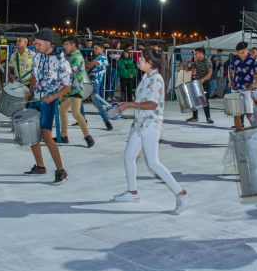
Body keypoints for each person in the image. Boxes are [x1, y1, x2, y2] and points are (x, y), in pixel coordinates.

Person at [113, 47, 191, 214]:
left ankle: (181, 194)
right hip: (140, 124)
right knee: (128, 156)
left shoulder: (156, 79)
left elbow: (152, 104)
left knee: (153, 163)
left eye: (141, 58)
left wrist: (128, 104)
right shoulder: (146, 77)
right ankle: (132, 192)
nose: (138, 60)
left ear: (149, 63)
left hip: (151, 125)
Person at [23, 28, 71, 185]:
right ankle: (40, 166)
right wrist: (29, 92)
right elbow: (34, 76)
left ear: (48, 43)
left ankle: (61, 171)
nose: (35, 47)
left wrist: (53, 97)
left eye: (38, 44)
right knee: (31, 132)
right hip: (35, 99)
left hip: (49, 101)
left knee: (45, 134)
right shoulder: (37, 56)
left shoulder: (61, 62)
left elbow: (67, 86)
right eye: (35, 44)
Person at [59, 36, 95, 147]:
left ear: (73, 45)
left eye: (66, 44)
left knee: (76, 113)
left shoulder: (77, 57)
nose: (64, 47)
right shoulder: (70, 55)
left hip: (75, 89)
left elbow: (70, 73)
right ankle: (64, 136)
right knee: (62, 111)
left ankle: (88, 137)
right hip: (69, 89)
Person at [229, 41, 257, 129]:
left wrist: (255, 83)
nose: (241, 55)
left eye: (243, 52)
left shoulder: (253, 61)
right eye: (239, 53)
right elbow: (231, 70)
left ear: (247, 50)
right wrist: (231, 81)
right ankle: (238, 132)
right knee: (236, 113)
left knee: (249, 113)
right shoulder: (235, 59)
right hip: (236, 88)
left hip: (247, 89)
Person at [85, 44, 114, 130]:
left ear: (102, 49)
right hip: (90, 81)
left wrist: (83, 63)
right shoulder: (96, 58)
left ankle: (106, 120)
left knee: (96, 101)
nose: (95, 50)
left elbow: (93, 63)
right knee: (82, 98)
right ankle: (82, 119)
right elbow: (89, 67)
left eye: (97, 49)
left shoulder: (103, 57)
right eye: (94, 49)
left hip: (95, 82)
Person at [184, 47, 214, 124]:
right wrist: (189, 62)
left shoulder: (208, 62)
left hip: (205, 83)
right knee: (194, 99)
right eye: (195, 53)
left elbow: (210, 73)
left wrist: (203, 79)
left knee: (205, 100)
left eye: (196, 53)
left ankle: (208, 117)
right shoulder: (196, 62)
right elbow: (187, 69)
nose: (195, 55)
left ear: (201, 53)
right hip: (196, 83)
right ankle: (195, 117)